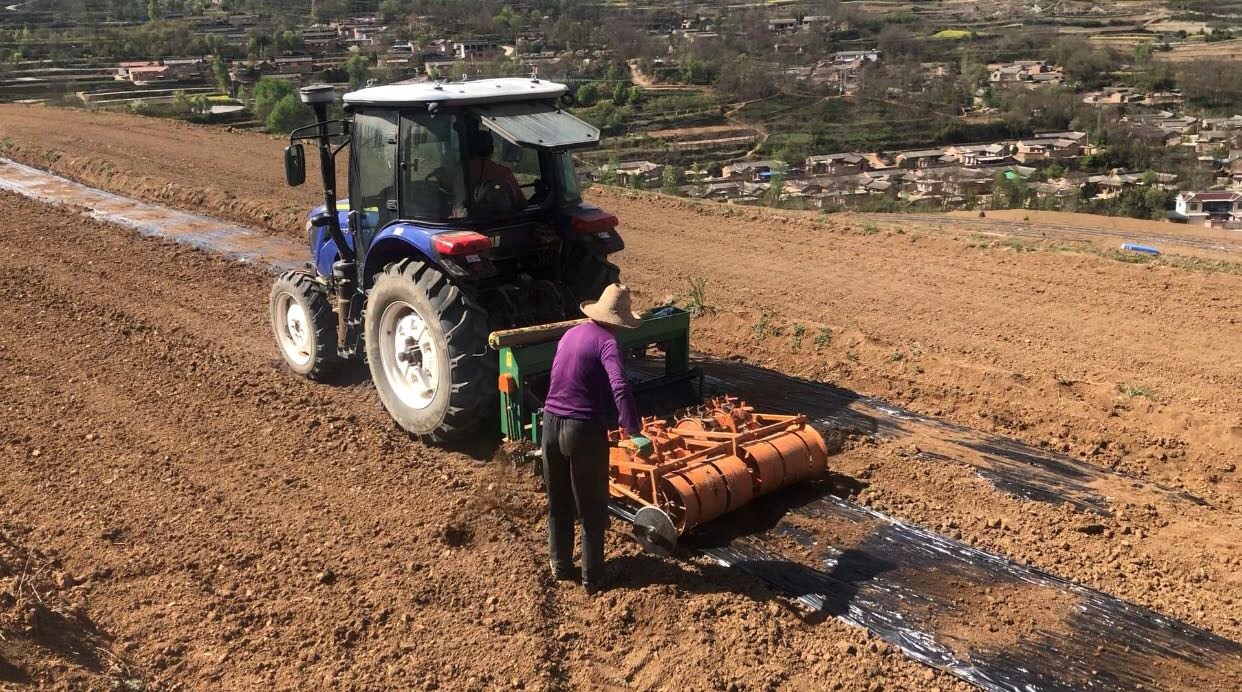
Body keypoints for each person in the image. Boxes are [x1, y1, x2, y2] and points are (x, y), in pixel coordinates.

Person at [541, 283, 650, 594]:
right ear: (619, 321)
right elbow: (620, 385)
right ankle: (594, 576)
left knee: (559, 500)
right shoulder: (607, 342)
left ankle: (560, 565)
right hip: (582, 430)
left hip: (550, 422)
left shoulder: (570, 334)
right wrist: (633, 429)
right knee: (591, 506)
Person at [464, 129, 525, 214]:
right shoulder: (504, 173)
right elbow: (522, 203)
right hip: (503, 221)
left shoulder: (460, 171)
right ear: (492, 150)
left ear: (469, 149)